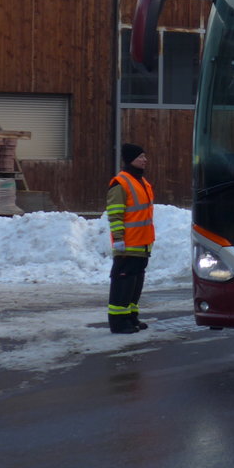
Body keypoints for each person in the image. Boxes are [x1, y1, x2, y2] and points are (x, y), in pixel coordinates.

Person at [105, 143, 155, 334]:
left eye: (145, 156)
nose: (145, 160)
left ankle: (131, 318)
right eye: (141, 157)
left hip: (142, 244)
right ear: (131, 159)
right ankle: (118, 323)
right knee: (123, 284)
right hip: (128, 243)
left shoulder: (141, 181)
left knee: (135, 284)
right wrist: (119, 239)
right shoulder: (121, 182)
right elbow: (115, 214)